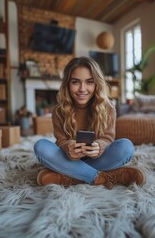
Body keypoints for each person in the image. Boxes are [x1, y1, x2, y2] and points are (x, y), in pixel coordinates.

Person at [34, 57, 145, 189]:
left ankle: (69, 176)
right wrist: (68, 147)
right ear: (67, 84)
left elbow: (108, 138)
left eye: (89, 82)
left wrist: (99, 146)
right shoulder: (59, 111)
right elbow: (61, 141)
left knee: (126, 147)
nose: (82, 89)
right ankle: (102, 177)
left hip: (99, 158)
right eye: (75, 82)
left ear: (96, 83)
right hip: (68, 159)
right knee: (41, 146)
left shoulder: (108, 107)